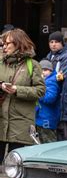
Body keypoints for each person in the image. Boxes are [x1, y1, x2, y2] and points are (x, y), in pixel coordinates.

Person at [0, 29, 46, 159]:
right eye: (3, 43)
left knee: (15, 166)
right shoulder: (1, 63)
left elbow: (41, 90)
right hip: (1, 119)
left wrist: (17, 90)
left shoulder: (33, 65)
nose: (4, 46)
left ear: (18, 43)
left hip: (20, 122)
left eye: (7, 43)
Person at [35, 60, 61, 143]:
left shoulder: (51, 82)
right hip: (41, 118)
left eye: (45, 70)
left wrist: (37, 93)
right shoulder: (44, 81)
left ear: (51, 71)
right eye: (41, 70)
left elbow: (50, 98)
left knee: (48, 143)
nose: (43, 72)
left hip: (47, 120)